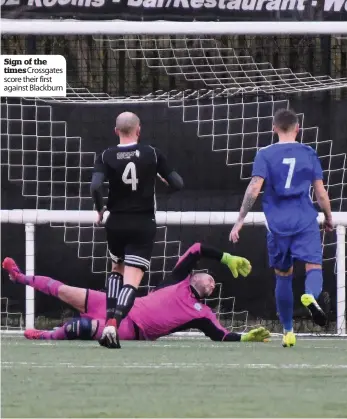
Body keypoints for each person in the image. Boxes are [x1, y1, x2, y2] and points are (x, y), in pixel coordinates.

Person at [2, 243, 270, 344]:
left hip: (133, 330)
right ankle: (19, 277)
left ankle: (44, 334)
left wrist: (245, 337)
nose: (212, 285)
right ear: (195, 274)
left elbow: (220, 334)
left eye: (213, 287)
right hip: (116, 305)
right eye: (210, 279)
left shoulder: (201, 313)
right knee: (63, 290)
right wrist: (225, 258)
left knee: (80, 328)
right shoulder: (175, 280)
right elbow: (197, 249)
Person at [229, 108, 333, 348]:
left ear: (274, 128)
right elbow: (320, 192)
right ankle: (311, 296)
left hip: (277, 225)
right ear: (298, 129)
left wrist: (240, 220)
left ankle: (288, 331)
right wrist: (328, 217)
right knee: (313, 265)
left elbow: (254, 188)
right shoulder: (308, 153)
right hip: (304, 220)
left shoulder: (264, 154)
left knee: (283, 275)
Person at [91, 112, 184, 348]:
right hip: (143, 223)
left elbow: (94, 186)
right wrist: (161, 186)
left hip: (116, 223)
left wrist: (100, 209)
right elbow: (178, 184)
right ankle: (114, 323)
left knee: (116, 269)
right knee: (132, 281)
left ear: (116, 131)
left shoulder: (106, 155)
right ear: (138, 130)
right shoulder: (152, 153)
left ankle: (108, 322)